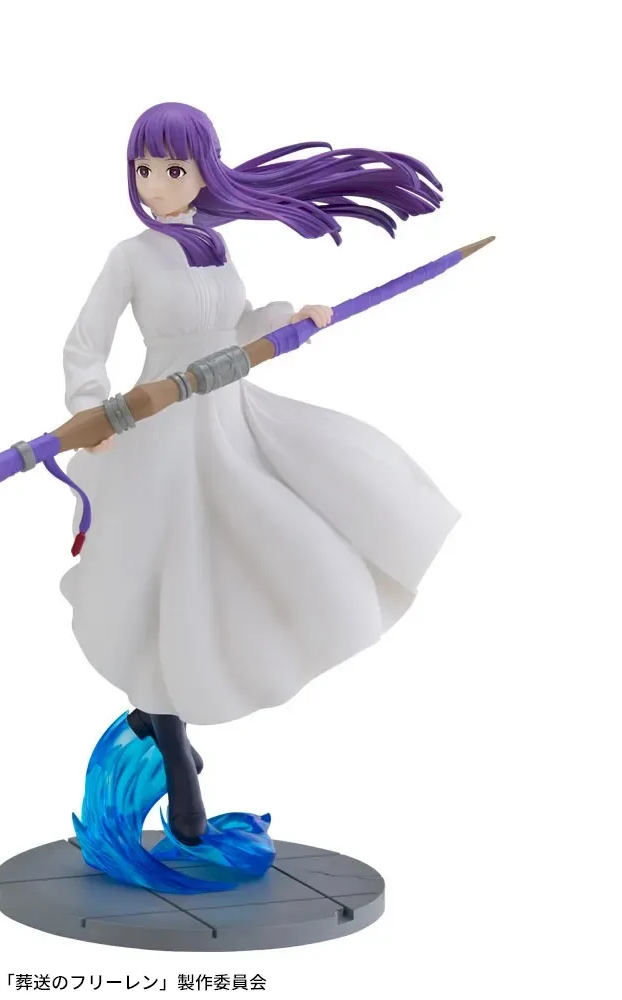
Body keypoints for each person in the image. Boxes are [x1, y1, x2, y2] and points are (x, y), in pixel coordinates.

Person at [60, 102, 459, 843]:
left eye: (171, 169)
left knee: (255, 551)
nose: (154, 184)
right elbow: (86, 342)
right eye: (143, 169)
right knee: (160, 580)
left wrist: (288, 321)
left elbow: (235, 328)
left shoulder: (214, 246)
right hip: (159, 429)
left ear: (201, 170)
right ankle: (176, 758)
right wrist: (92, 409)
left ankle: (158, 714)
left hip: (229, 418)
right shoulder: (130, 256)